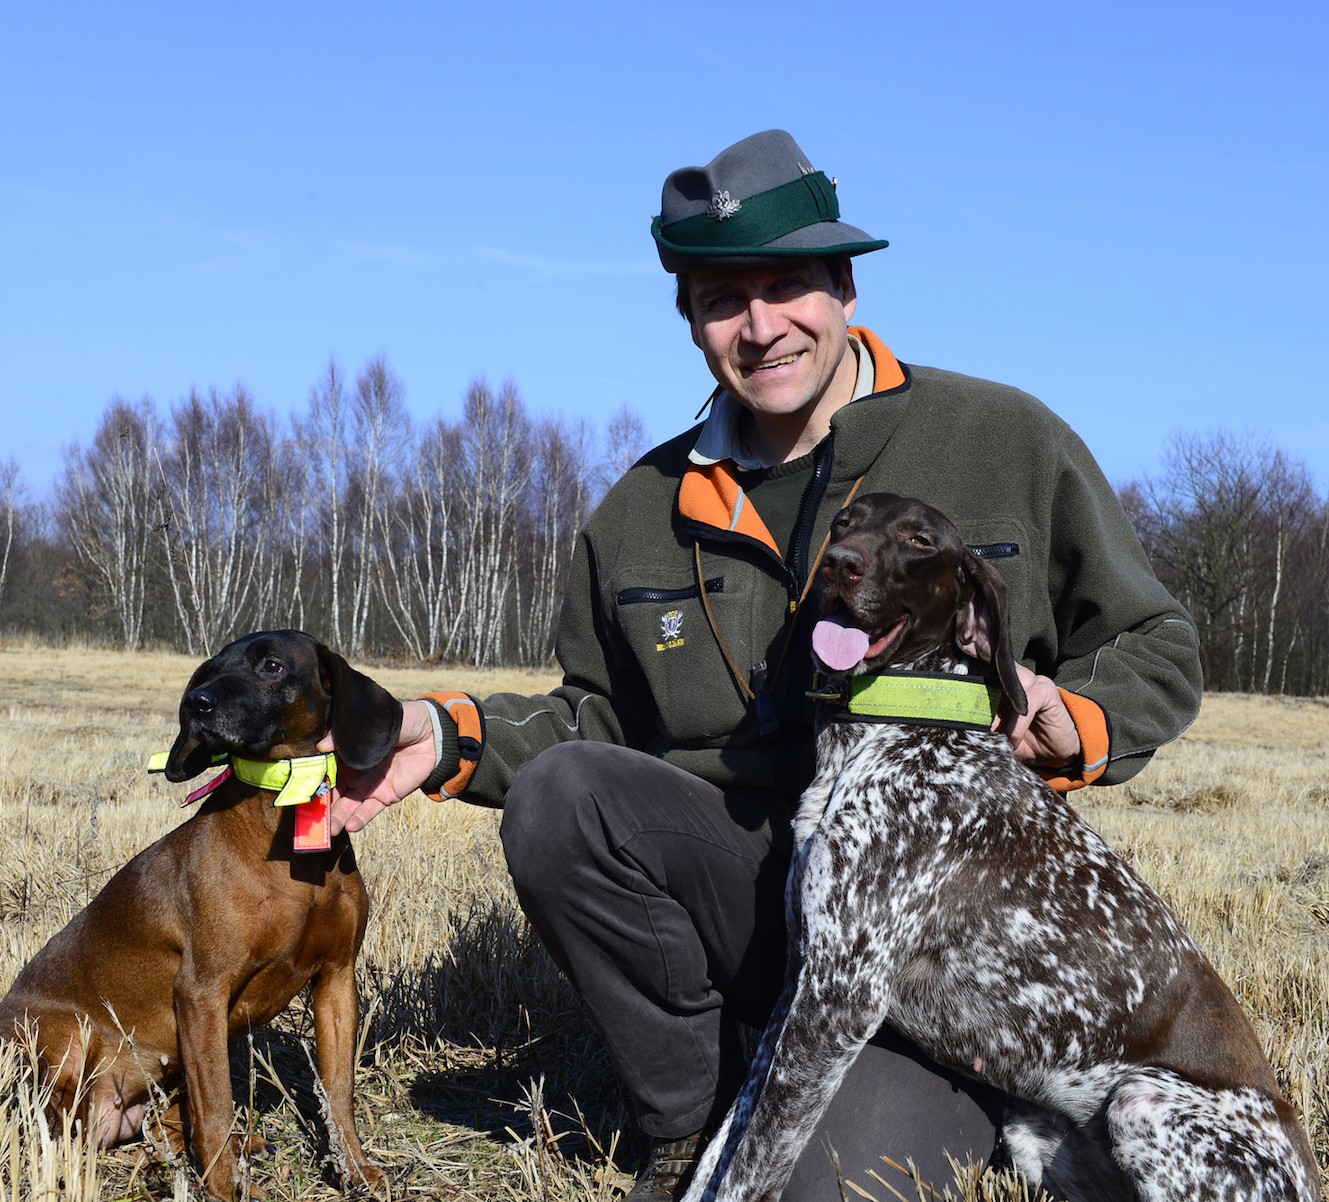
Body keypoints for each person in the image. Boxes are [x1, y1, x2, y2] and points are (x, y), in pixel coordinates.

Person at [324, 130, 1204, 1200]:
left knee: (818, 1187)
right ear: (690, 318)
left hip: (938, 941)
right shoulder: (640, 511)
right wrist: (447, 733)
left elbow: (1155, 642)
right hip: (753, 888)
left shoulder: (1003, 437)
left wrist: (1084, 718)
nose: (761, 325)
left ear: (843, 284)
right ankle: (686, 1117)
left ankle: (911, 1088)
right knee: (562, 798)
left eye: (788, 284)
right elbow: (592, 718)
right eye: (722, 297)